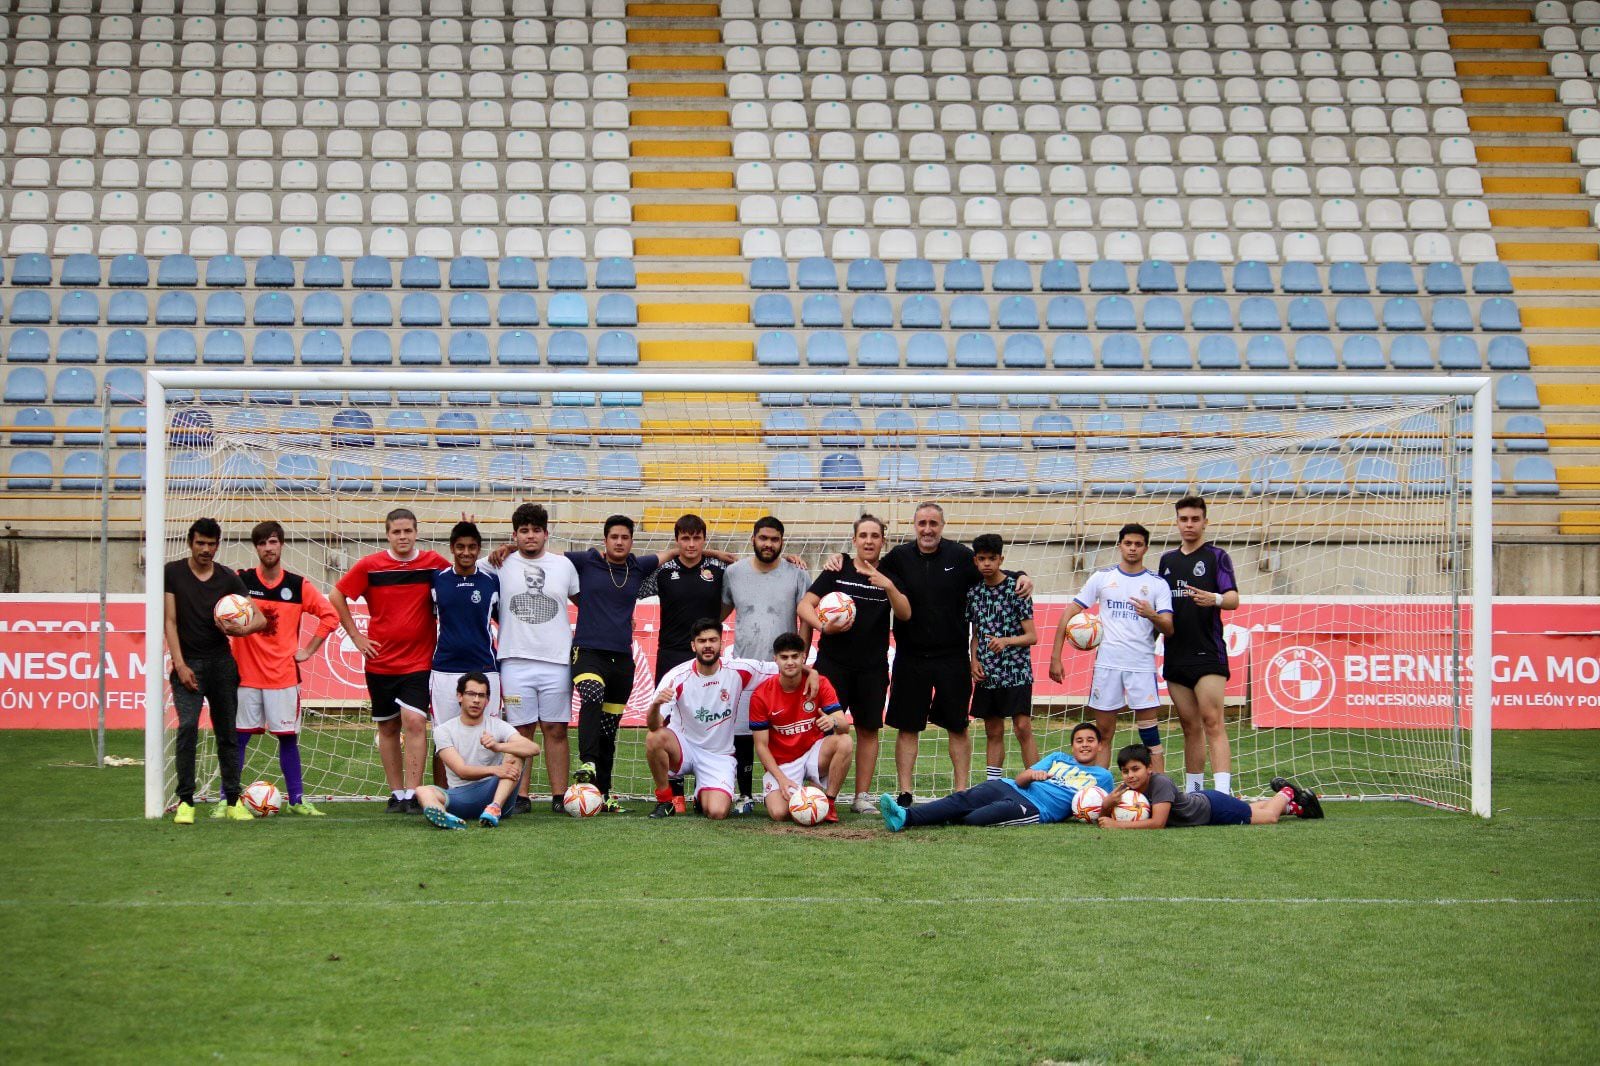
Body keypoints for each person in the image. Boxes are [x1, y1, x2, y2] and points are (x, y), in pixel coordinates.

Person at [830, 502, 1032, 808]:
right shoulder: (898, 558)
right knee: (908, 726)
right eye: (922, 523)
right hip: (910, 656)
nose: (927, 529)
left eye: (933, 523)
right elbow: (865, 563)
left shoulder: (961, 556)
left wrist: (1022, 574)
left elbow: (992, 572)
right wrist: (839, 558)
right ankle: (906, 792)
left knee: (957, 725)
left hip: (952, 656)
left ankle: (961, 790)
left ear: (942, 526)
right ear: (914, 526)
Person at [331, 508, 451, 813]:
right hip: (380, 663)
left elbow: (460, 577)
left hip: (419, 662)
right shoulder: (370, 566)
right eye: (397, 532)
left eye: (408, 531)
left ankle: (414, 792)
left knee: (414, 722)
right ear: (387, 534)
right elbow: (336, 596)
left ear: (416, 532)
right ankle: (396, 794)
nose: (403, 537)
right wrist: (357, 637)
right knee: (387, 729)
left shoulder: (433, 563)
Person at [797, 513, 910, 814]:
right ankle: (816, 792)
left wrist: (888, 586)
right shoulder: (839, 568)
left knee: (868, 729)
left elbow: (905, 613)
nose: (869, 541)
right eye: (864, 536)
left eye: (875, 536)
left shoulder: (890, 576)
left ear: (883, 541)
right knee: (822, 727)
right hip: (832, 665)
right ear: (855, 540)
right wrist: (823, 627)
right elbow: (804, 605)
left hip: (872, 668)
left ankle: (861, 797)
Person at [232, 521, 339, 818]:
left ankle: (297, 799)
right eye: (263, 543)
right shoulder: (240, 582)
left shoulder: (297, 585)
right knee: (238, 738)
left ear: (282, 545)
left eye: (274, 542)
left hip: (283, 678)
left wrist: (308, 650)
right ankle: (227, 801)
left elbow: (329, 616)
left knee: (288, 738)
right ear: (256, 548)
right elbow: (219, 607)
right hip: (245, 676)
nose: (269, 548)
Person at [164, 518, 267, 824]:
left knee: (227, 733)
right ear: (190, 543)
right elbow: (170, 621)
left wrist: (240, 629)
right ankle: (185, 801)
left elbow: (260, 620)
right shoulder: (172, 573)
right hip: (189, 665)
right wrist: (180, 664)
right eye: (200, 543)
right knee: (186, 728)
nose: (206, 549)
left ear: (218, 545)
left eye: (211, 544)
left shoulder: (228, 579)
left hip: (222, 664)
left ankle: (233, 800)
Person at [564, 515, 669, 812]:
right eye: (614, 537)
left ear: (631, 541)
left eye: (625, 537)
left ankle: (604, 793)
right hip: (588, 653)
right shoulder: (587, 561)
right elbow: (547, 558)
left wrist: (717, 553)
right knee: (592, 695)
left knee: (609, 729)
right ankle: (587, 762)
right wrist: (508, 550)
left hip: (622, 659)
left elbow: (674, 552)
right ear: (605, 540)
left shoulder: (638, 566)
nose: (619, 542)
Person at [1050, 523, 1174, 771]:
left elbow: (1169, 628)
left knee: (1151, 738)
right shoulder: (1102, 578)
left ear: (1146, 548)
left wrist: (1151, 614)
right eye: (1128, 543)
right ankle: (1099, 793)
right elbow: (1068, 613)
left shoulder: (1157, 584)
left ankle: (1161, 796)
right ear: (1120, 545)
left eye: (1138, 544)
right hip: (1108, 664)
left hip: (1141, 665)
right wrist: (1056, 657)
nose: (1132, 548)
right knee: (1103, 735)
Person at [490, 503, 581, 814]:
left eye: (536, 530)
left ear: (546, 532)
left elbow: (587, 603)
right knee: (520, 731)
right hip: (514, 661)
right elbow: (464, 568)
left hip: (557, 661)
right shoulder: (498, 563)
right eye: (524, 531)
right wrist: (498, 549)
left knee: (555, 729)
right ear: (514, 534)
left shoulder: (564, 566)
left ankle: (559, 796)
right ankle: (520, 795)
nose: (530, 536)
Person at [721, 516, 811, 813]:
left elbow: (806, 622)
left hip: (782, 668)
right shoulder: (733, 573)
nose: (768, 544)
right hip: (745, 664)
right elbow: (720, 612)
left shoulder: (797, 574)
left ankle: (797, 786)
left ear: (782, 542)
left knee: (789, 730)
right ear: (754, 539)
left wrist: (802, 659)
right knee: (744, 732)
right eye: (763, 538)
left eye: (774, 539)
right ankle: (745, 795)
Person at [878, 722, 1113, 831]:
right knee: (961, 800)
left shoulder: (1102, 777)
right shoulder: (1057, 758)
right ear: (1072, 746)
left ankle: (941, 816)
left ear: (1100, 746)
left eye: (1090, 741)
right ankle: (904, 817)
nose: (1084, 745)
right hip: (1010, 786)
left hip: (1034, 808)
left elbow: (1095, 808)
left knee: (973, 819)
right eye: (1079, 741)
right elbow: (1021, 778)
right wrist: (1033, 774)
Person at [1159, 496, 1240, 795]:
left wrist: (1215, 598)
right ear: (1177, 522)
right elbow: (1162, 607)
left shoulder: (1217, 557)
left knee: (1212, 721)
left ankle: (1222, 792)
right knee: (1189, 726)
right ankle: (1194, 792)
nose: (1189, 524)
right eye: (1184, 519)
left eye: (1195, 519)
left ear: (1205, 522)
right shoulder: (1167, 561)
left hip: (1208, 653)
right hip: (1176, 654)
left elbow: (1233, 598)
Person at [643, 619, 747, 820]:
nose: (707, 645)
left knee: (716, 812)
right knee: (654, 738)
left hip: (718, 755)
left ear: (721, 643)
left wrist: (809, 672)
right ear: (693, 645)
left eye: (712, 640)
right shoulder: (676, 676)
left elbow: (779, 668)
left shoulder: (739, 670)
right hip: (684, 748)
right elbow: (653, 725)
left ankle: (702, 794)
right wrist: (656, 705)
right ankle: (665, 801)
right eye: (701, 641)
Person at [749, 632, 852, 824]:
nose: (790, 662)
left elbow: (845, 726)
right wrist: (781, 779)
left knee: (844, 741)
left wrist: (833, 722)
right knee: (780, 814)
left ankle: (828, 803)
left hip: (813, 753)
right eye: (784, 657)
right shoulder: (761, 695)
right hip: (783, 764)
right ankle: (808, 791)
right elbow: (761, 747)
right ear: (776, 660)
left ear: (803, 657)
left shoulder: (820, 683)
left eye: (795, 656)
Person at [415, 672, 541, 830]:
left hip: (497, 794)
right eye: (471, 694)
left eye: (481, 696)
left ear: (487, 701)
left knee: (516, 752)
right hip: (460, 797)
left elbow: (534, 748)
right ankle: (443, 816)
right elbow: (462, 771)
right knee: (422, 791)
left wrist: (498, 746)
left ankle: (494, 808)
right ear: (459, 696)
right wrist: (496, 769)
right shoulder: (443, 730)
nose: (476, 700)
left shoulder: (497, 725)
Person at [1094, 744, 1323, 829]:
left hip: (1213, 809)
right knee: (1253, 809)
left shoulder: (1160, 783)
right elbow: (1105, 819)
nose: (1130, 776)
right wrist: (1106, 805)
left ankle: (1288, 792)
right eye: (1126, 771)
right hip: (1205, 803)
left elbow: (1158, 823)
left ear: (1149, 768)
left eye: (1136, 769)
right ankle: (1300, 808)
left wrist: (1118, 826)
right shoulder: (1126, 789)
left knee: (1269, 818)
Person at [966, 534, 1039, 781]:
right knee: (993, 730)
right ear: (975, 561)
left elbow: (1032, 636)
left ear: (1001, 559)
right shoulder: (974, 593)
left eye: (992, 558)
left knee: (1022, 727)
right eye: (982, 559)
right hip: (988, 673)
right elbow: (976, 633)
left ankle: (1037, 780)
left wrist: (1006, 641)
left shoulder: (1017, 588)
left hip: (1016, 671)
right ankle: (993, 784)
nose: (987, 563)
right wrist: (974, 660)